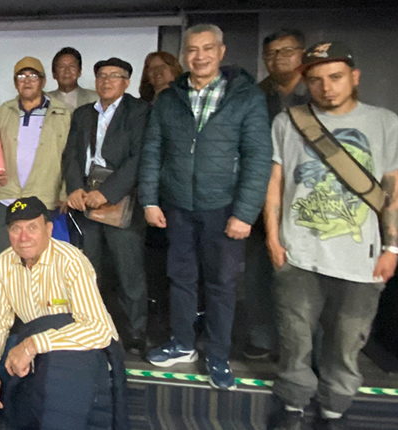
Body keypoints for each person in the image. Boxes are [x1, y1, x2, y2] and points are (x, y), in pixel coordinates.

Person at [266, 42, 398, 430]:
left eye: (335, 78)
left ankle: (334, 407)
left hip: (361, 256)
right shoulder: (289, 121)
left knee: (347, 342)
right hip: (298, 252)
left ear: (354, 77)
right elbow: (275, 183)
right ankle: (294, 403)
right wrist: (273, 238)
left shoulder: (384, 122)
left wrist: (392, 246)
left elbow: (394, 188)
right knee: (294, 338)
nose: (326, 88)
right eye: (315, 80)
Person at [139, 24, 272, 390]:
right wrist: (150, 199)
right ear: (184, 55)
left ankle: (218, 355)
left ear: (221, 51)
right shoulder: (169, 98)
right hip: (177, 205)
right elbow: (153, 151)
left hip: (224, 208)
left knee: (221, 285)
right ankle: (183, 344)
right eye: (193, 50)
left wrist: (245, 213)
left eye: (207, 49)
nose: (200, 56)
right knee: (180, 279)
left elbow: (258, 158)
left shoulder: (244, 97)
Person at [0, 196, 126, 429]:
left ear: (49, 229)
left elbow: (99, 329)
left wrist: (34, 345)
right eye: (16, 229)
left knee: (53, 388)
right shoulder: (2, 264)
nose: (23, 238)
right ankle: (25, 404)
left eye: (32, 228)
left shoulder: (72, 261)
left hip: (74, 348)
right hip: (33, 341)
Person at [62, 58, 151, 355]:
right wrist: (75, 186)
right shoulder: (83, 113)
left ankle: (135, 332)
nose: (107, 81)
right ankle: (92, 328)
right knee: (89, 271)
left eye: (115, 76)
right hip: (86, 198)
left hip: (120, 201)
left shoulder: (139, 111)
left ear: (127, 82)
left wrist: (109, 192)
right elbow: (71, 154)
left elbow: (140, 158)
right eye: (102, 75)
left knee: (129, 273)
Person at [243, 29, 312, 361]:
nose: (278, 58)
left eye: (286, 51)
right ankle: (262, 337)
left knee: (303, 278)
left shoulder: (319, 93)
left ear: (302, 54)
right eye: (271, 54)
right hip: (260, 198)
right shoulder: (256, 96)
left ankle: (300, 346)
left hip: (308, 200)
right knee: (258, 272)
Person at [0, 56, 71, 252]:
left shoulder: (62, 113)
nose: (27, 80)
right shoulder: (4, 110)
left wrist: (65, 191)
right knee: (4, 257)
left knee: (42, 259)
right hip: (8, 194)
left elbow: (71, 156)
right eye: (21, 76)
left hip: (44, 195)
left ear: (43, 81)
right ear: (15, 83)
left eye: (33, 75)